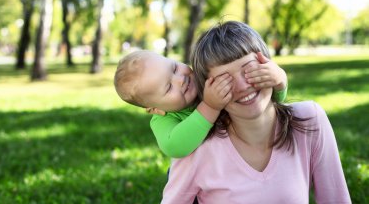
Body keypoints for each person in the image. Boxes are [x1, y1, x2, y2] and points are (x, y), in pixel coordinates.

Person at [159, 21, 352, 204]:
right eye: (224, 81)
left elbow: (335, 203)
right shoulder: (196, 149)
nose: (243, 86)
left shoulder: (310, 119)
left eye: (251, 69)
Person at [114, 50, 287, 158]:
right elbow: (174, 147)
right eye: (168, 87)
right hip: (199, 178)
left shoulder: (205, 79)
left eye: (174, 68)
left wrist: (279, 82)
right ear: (155, 109)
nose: (180, 80)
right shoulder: (163, 120)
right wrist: (210, 107)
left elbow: (272, 104)